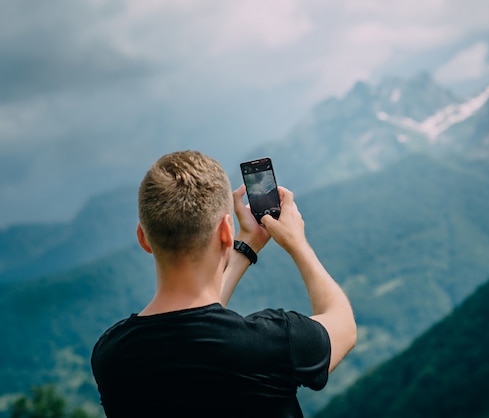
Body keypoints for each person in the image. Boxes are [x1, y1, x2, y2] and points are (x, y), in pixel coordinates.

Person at [90, 151, 356, 417]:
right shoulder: (272, 343)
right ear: (226, 231)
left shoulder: (111, 356)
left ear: (143, 238)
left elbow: (194, 326)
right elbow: (343, 324)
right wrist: (297, 243)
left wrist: (247, 245)